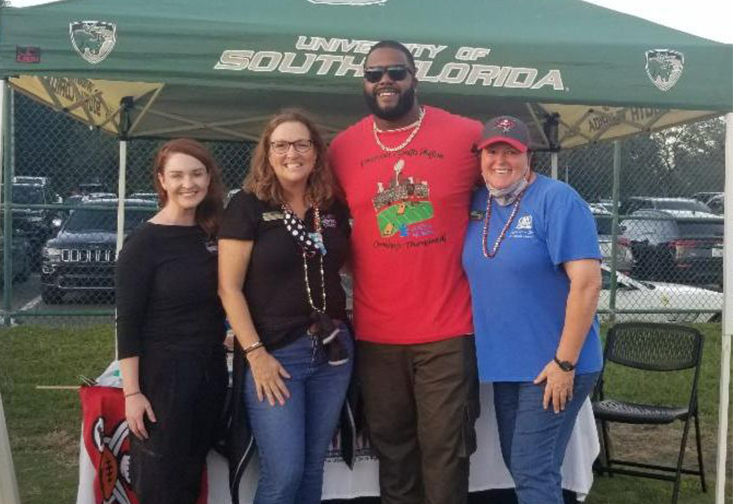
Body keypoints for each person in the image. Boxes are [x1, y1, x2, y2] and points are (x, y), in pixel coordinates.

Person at [328, 40, 482, 504]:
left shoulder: (464, 134)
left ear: (415, 77)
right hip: (377, 330)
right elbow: (333, 225)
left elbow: (508, 182)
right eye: (374, 75)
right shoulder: (342, 147)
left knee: (445, 450)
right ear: (364, 82)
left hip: (447, 328)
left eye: (396, 72)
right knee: (392, 451)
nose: (385, 82)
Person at [462, 115, 603, 504]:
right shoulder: (477, 204)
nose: (500, 160)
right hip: (505, 364)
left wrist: (564, 364)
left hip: (554, 364)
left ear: (529, 158)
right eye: (492, 151)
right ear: (480, 156)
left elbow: (588, 283)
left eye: (512, 151)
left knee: (530, 469)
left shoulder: (557, 199)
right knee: (529, 466)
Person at [218, 109, 353, 504]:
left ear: (315, 152)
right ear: (267, 153)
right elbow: (229, 288)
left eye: (301, 144)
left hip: (332, 350)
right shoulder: (248, 206)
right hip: (276, 354)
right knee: (285, 473)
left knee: (312, 468)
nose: (291, 153)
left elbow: (347, 263)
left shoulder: (330, 207)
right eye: (280, 145)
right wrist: (255, 354)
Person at [116, 138, 228, 504]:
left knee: (191, 478)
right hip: (164, 380)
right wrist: (132, 393)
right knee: (162, 485)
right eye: (177, 175)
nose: (188, 183)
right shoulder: (143, 244)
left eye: (197, 174)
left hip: (209, 373)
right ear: (162, 181)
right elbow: (128, 324)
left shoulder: (211, 233)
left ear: (209, 178)